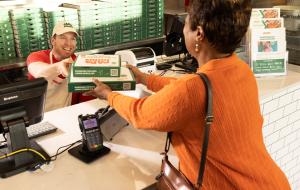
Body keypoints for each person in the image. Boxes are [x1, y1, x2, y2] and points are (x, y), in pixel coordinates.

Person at [84, 0, 291, 189]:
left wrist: (108, 94)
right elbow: (190, 87)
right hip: (269, 181)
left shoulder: (193, 90)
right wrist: (145, 79)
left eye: (186, 22)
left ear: (199, 33)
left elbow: (141, 114)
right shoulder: (241, 70)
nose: (183, 29)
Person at [27, 22, 93, 112]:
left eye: (72, 39)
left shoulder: (79, 63)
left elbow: (85, 99)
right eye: (63, 38)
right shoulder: (38, 56)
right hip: (40, 117)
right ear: (53, 40)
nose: (69, 43)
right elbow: (38, 71)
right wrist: (58, 67)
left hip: (66, 115)